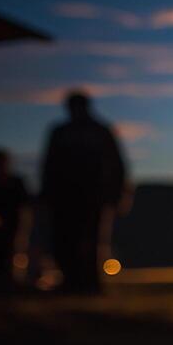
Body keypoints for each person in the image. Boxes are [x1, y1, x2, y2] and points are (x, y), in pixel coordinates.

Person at [40, 90, 128, 292]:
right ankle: (73, 281)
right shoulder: (62, 132)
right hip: (66, 197)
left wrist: (117, 194)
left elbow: (116, 165)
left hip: (93, 196)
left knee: (92, 240)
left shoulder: (98, 131)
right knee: (66, 239)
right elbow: (50, 165)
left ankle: (91, 282)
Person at [0, 147, 28, 287]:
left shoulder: (16, 182)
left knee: (13, 249)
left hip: (14, 222)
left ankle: (12, 278)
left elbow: (23, 201)